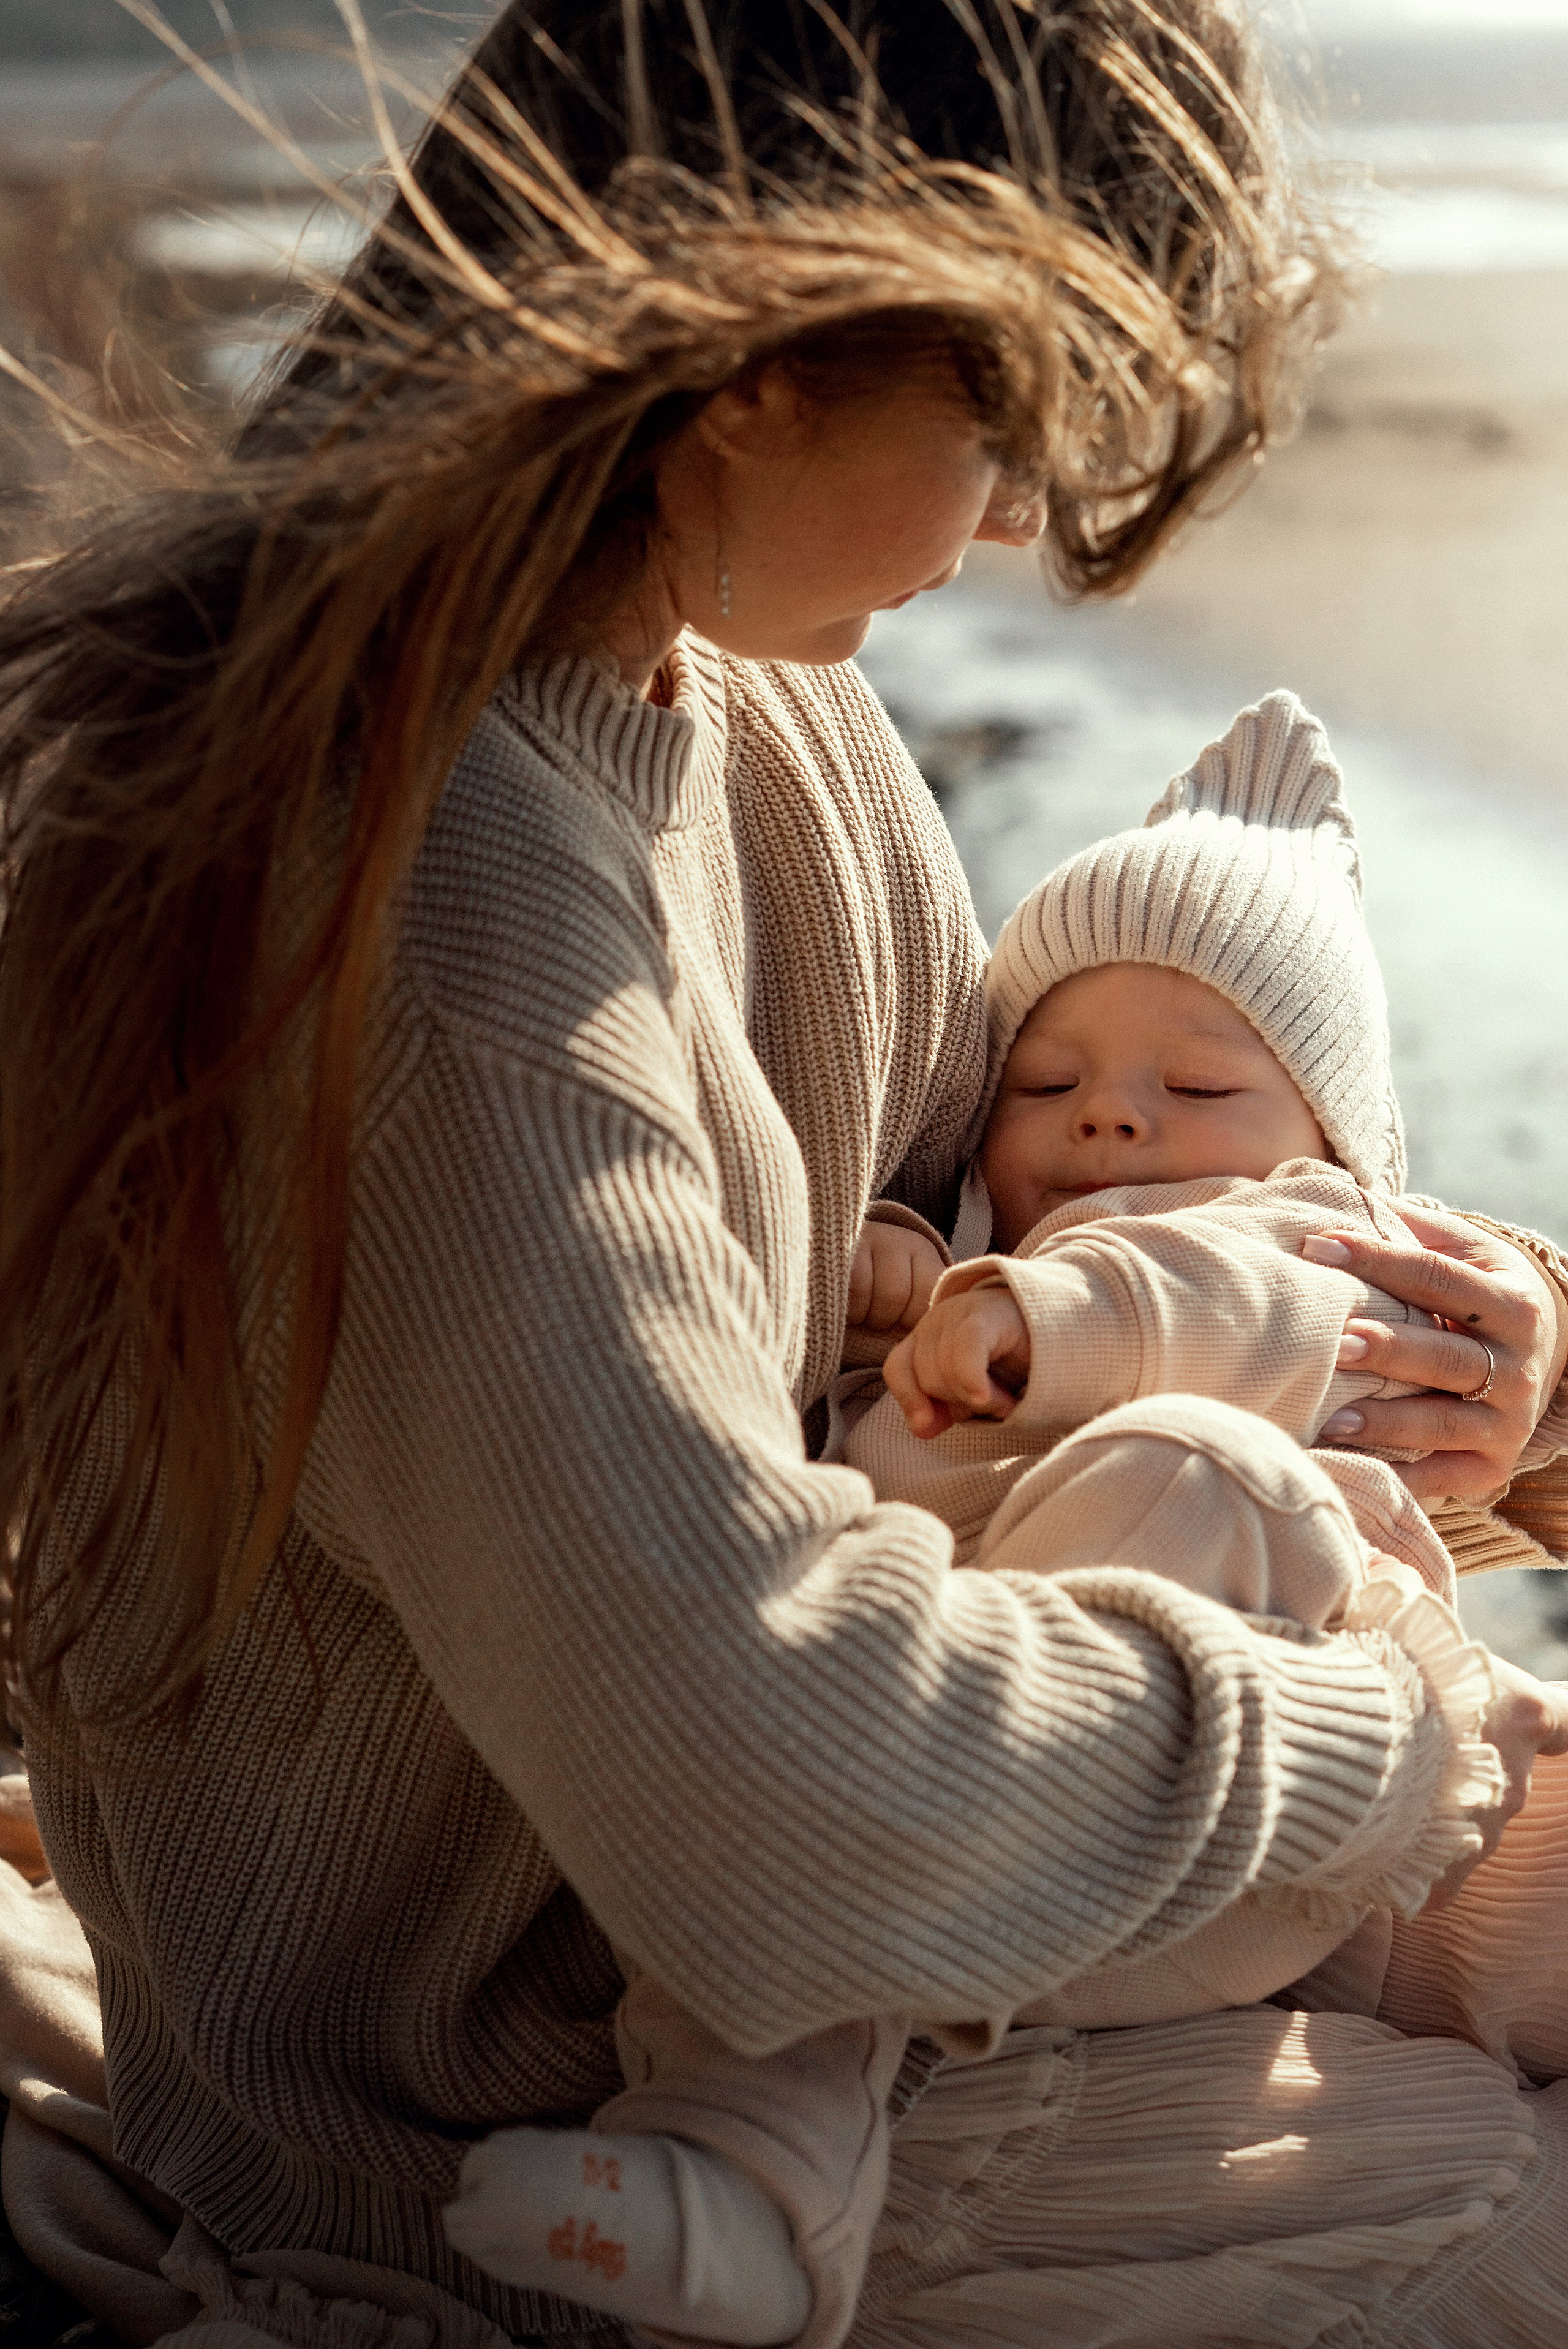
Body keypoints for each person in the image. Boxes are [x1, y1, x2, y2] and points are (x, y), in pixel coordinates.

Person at [2, 9, 1568, 2349]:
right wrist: (1403, 1750)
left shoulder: (751, 713)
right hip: (568, 2155)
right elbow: (787, 1791)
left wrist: (1498, 1398)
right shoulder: (436, 930)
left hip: (934, 1999)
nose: (1031, 520)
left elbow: (1005, 1354)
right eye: (1010, 418)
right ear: (755, 360)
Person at [443, 688, 1568, 2348]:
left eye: (1196, 1080)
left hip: (1354, 1805)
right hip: (1047, 1840)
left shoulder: (1289, 1249)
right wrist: (885, 1280)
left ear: (1340, 1156)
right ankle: (745, 2187)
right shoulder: (964, 1299)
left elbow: (1217, 1283)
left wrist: (1039, 1317)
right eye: (1051, 1079)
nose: (1112, 1115)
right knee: (803, 1870)